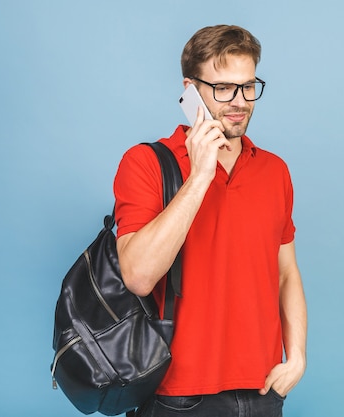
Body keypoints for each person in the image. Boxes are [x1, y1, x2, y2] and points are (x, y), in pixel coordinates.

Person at [113, 25, 307, 417]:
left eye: (248, 86)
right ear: (190, 90)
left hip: (263, 391)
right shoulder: (146, 163)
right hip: (176, 395)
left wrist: (297, 356)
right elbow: (137, 276)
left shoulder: (275, 171)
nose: (239, 102)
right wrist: (200, 175)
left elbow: (285, 272)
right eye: (223, 88)